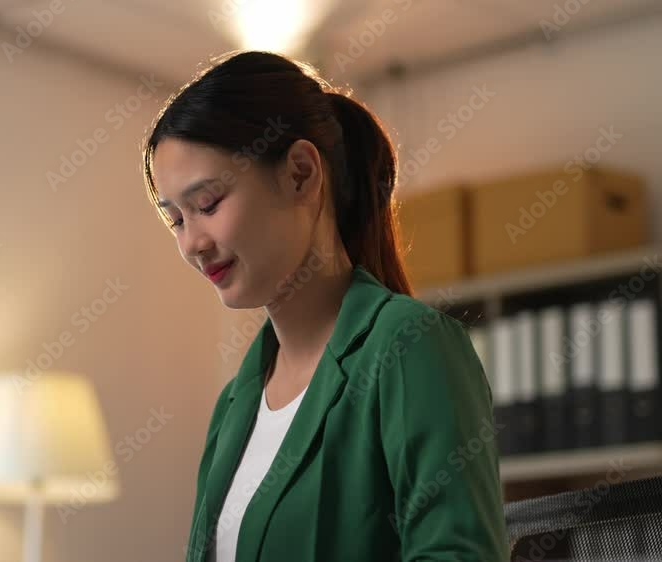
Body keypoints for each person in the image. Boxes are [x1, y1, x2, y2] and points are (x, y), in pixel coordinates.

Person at [141, 50, 510, 562]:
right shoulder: (233, 406)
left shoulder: (407, 345)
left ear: (299, 173)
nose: (192, 244)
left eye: (207, 205)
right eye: (177, 220)